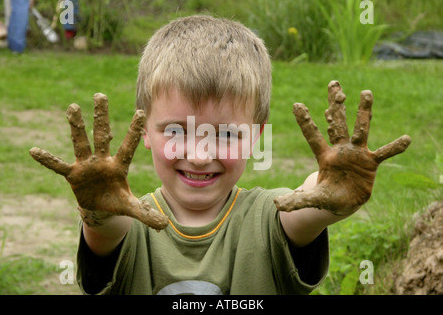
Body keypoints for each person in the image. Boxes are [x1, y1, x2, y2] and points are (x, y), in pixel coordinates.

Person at [29, 15, 411, 295]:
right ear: (144, 131)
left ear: (256, 138)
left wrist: (335, 189)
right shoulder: (128, 221)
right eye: (176, 131)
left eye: (226, 134)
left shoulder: (267, 219)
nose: (198, 155)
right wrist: (98, 212)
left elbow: (311, 205)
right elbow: (107, 230)